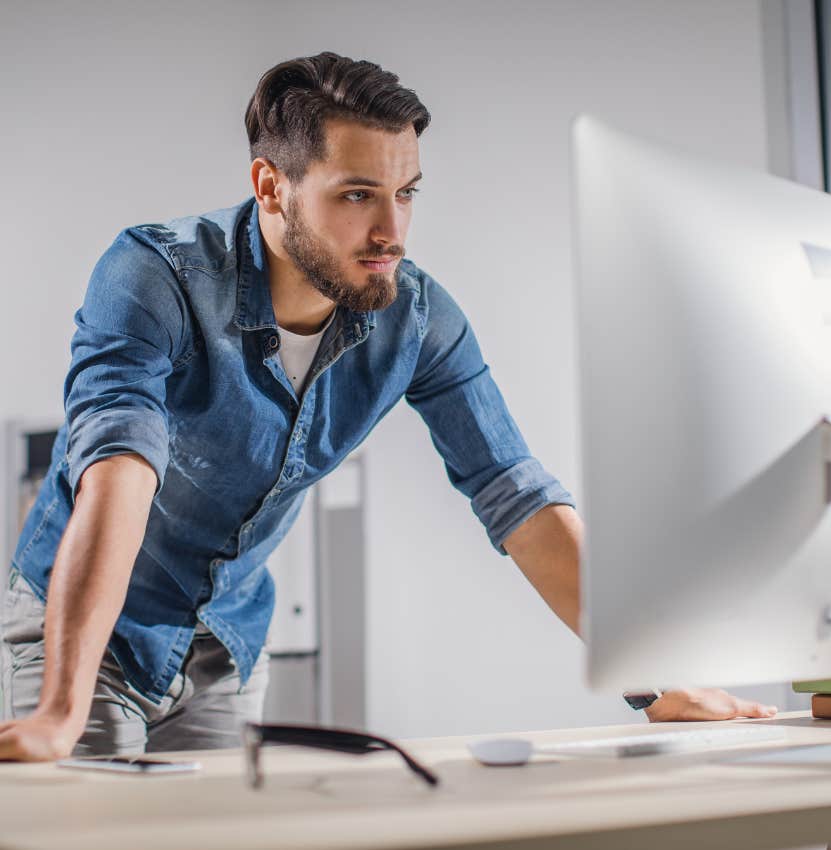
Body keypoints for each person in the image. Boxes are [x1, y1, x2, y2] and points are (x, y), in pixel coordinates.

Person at [0, 53, 777, 761]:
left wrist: (653, 675)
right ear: (271, 185)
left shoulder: (418, 319)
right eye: (358, 196)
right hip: (83, 643)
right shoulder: (152, 275)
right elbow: (119, 470)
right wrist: (60, 712)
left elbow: (514, 491)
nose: (392, 232)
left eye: (405, 193)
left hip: (226, 647)